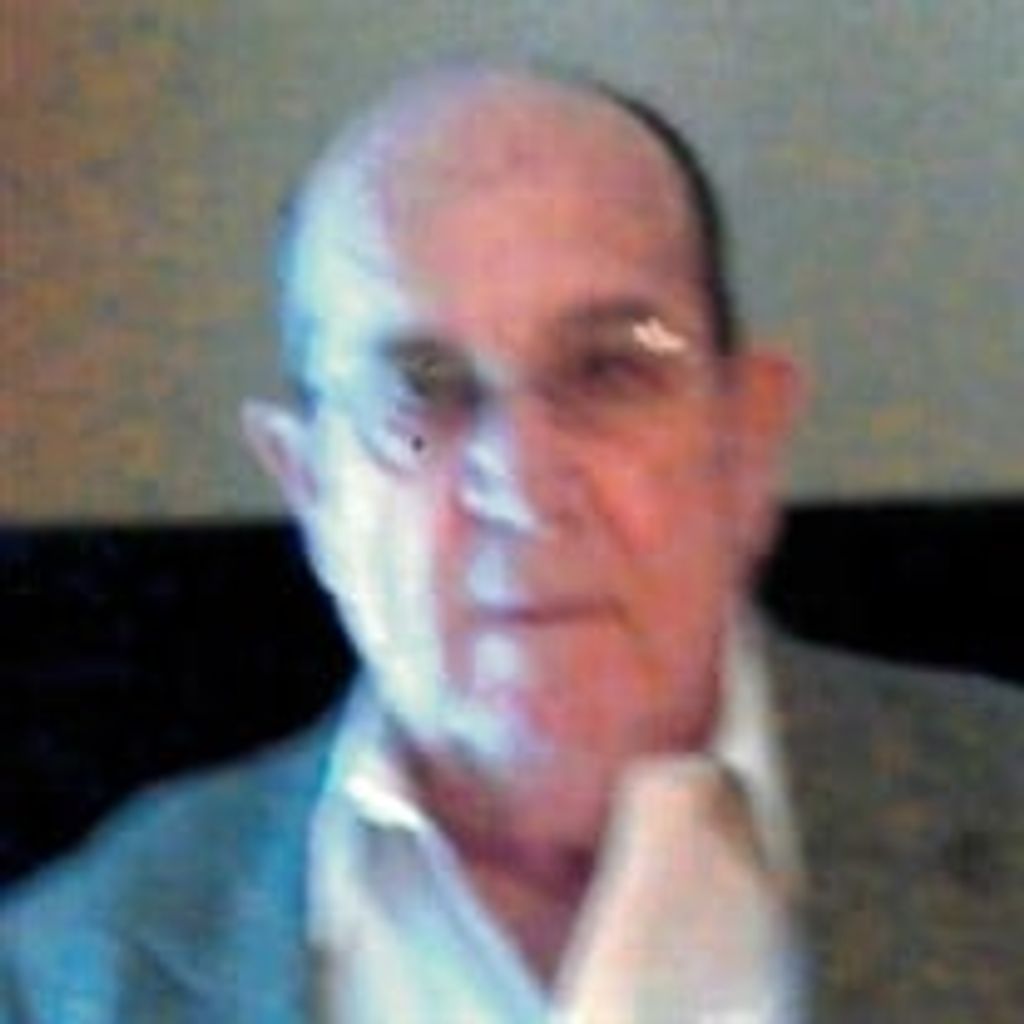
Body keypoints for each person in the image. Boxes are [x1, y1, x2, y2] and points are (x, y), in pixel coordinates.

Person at [2, 64, 1021, 1023]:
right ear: (311, 489)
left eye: (609, 371)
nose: (525, 484)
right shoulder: (71, 972)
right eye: (418, 393)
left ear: (745, 438)